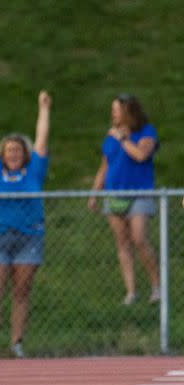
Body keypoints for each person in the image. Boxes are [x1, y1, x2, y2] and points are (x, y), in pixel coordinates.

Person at [0, 91, 52, 358]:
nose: (14, 153)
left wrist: (44, 108)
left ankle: (17, 342)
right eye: (9, 150)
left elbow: (42, 140)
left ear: (25, 154)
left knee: (21, 291)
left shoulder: (35, 172)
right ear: (3, 154)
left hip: (29, 237)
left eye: (18, 150)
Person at [88, 94, 161, 305]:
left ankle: (157, 286)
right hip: (113, 194)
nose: (113, 114)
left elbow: (140, 155)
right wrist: (95, 193)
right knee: (122, 242)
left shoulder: (147, 132)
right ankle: (131, 292)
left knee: (139, 238)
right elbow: (105, 167)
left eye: (116, 110)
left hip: (139, 192)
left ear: (128, 112)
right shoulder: (110, 137)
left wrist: (123, 139)